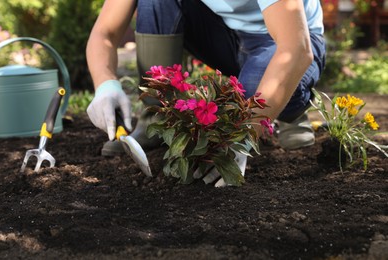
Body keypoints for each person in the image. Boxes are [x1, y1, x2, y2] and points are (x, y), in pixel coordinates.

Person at [86, 0, 326, 186]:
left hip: (288, 39)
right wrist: (105, 84)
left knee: (255, 97)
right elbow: (104, 33)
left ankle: (293, 108)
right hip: (224, 30)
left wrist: (242, 134)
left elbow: (295, 50)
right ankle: (156, 118)